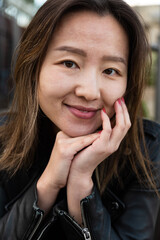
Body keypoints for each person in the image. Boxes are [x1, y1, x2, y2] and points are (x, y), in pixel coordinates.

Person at [0, 0, 160, 239]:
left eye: (110, 71)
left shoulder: (147, 149)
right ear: (34, 67)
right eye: (69, 63)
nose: (90, 92)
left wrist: (81, 185)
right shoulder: (3, 138)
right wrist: (46, 187)